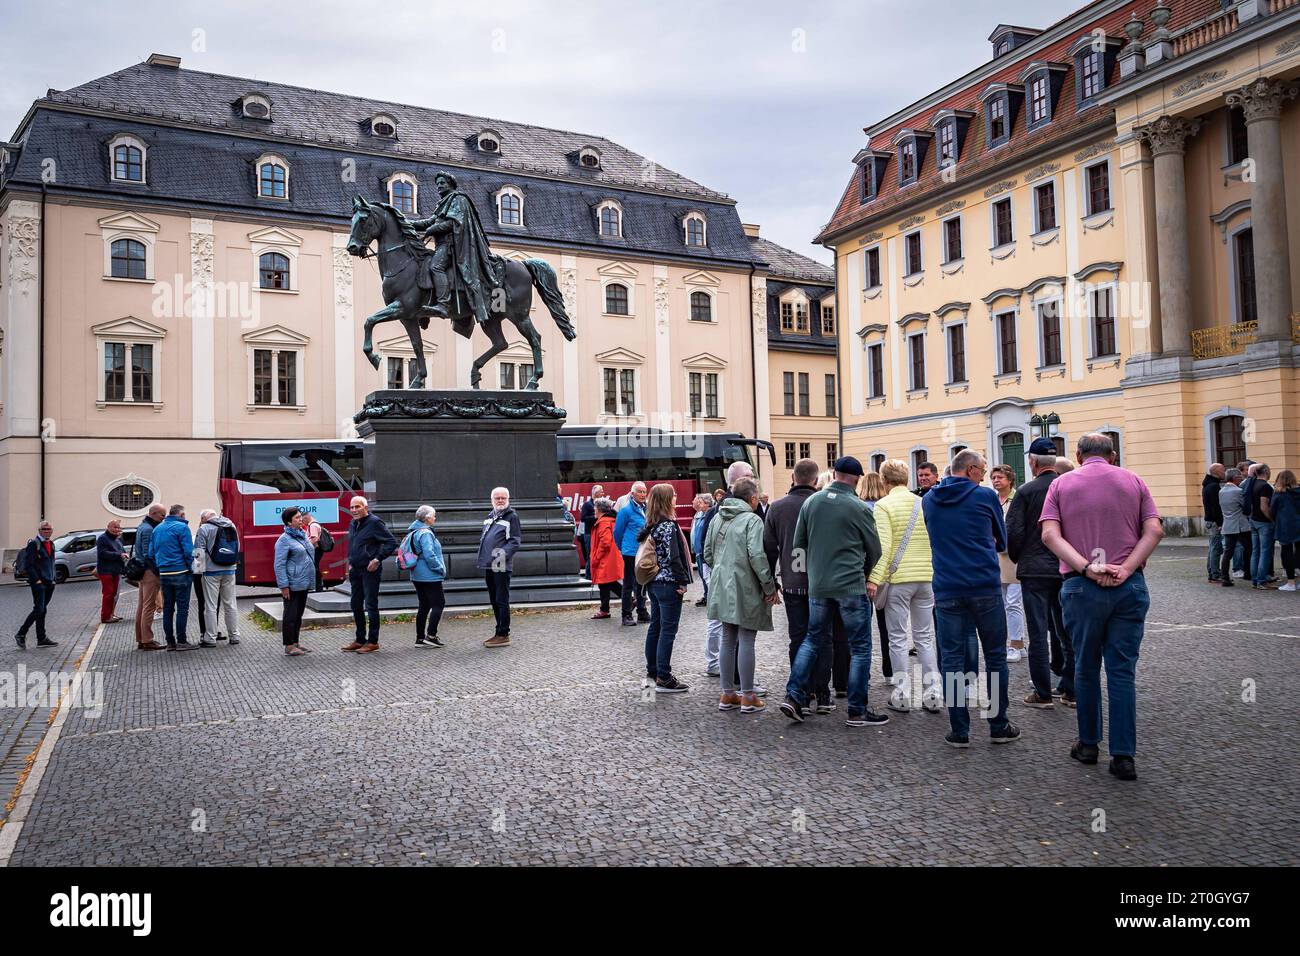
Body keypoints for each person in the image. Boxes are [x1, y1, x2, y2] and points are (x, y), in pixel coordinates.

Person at [1041, 432, 1163, 782]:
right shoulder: (1134, 481)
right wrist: (1126, 568)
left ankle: (1088, 743)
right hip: (1129, 586)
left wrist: (1086, 567)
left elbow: (1050, 536)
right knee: (1122, 672)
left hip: (1082, 587)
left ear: (1078, 456)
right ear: (1112, 455)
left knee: (1085, 665)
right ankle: (1124, 756)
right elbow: (1154, 530)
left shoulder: (1061, 485)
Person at [780, 456, 888, 728]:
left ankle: (794, 696)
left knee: (812, 639)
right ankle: (856, 710)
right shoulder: (858, 507)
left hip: (818, 585)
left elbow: (799, 543)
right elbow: (875, 549)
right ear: (856, 478)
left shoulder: (811, 502)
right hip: (850, 584)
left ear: (834, 474)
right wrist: (862, 569)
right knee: (861, 647)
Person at [923, 450, 1020, 749]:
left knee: (951, 659)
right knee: (994, 657)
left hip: (947, 587)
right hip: (984, 586)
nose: (984, 475)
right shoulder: (985, 497)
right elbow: (1001, 540)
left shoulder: (929, 500)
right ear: (972, 470)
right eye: (982, 470)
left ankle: (960, 730)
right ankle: (998, 724)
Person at [763, 458, 839, 713]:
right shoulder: (826, 505)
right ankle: (824, 695)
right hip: (822, 583)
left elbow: (768, 548)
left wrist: (771, 582)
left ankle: (802, 695)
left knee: (798, 638)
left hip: (793, 583)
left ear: (793, 479)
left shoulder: (777, 507)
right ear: (816, 480)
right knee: (824, 638)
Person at [867, 459, 941, 714]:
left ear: (884, 481)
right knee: (925, 637)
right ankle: (933, 693)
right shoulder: (924, 503)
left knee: (897, 639)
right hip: (926, 577)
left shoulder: (883, 505)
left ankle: (901, 695)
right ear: (907, 479)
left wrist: (874, 578)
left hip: (898, 579)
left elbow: (884, 547)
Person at [1006, 439, 1074, 710]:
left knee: (1037, 632)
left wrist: (1019, 557)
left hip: (1035, 570)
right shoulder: (1070, 488)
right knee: (1069, 631)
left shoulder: (1026, 491)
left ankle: (1043, 693)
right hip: (1066, 566)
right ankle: (1071, 689)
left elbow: (1014, 533)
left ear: (1033, 462)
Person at [706, 476, 777, 712]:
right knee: (747, 638)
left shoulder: (717, 517)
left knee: (728, 638)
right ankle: (747, 695)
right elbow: (757, 556)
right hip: (745, 585)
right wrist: (769, 587)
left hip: (721, 584)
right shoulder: (752, 520)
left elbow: (707, 552)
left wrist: (722, 568)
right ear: (753, 497)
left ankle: (728, 694)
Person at [638, 483, 694, 693]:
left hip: (653, 583)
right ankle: (664, 676)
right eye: (673, 496)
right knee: (668, 631)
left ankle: (652, 673)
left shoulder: (652, 524)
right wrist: (682, 582)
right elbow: (674, 558)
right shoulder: (668, 526)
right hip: (669, 584)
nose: (676, 498)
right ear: (665, 501)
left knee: (656, 627)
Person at [343, 496, 397, 653]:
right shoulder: (353, 523)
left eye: (357, 507)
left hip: (369, 570)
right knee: (355, 604)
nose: (354, 510)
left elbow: (391, 542)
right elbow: (354, 545)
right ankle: (360, 639)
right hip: (356, 570)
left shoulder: (375, 522)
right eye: (352, 507)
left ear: (365, 507)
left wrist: (377, 559)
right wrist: (351, 562)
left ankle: (373, 641)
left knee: (371, 605)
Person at [859, 469, 894, 687]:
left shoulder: (859, 508)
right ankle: (889, 669)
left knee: (862, 625)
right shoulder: (885, 507)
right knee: (886, 624)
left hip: (862, 571)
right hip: (884, 572)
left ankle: (863, 672)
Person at [990, 464, 1027, 663]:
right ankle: (1017, 642)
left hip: (1013, 556)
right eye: (994, 477)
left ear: (1010, 479)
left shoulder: (1018, 498)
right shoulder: (993, 500)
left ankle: (1015, 644)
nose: (996, 481)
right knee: (1004, 603)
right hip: (996, 556)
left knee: (1013, 602)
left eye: (1000, 477)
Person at [477, 486, 522, 648]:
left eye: (503, 498)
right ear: (492, 500)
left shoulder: (512, 517)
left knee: (501, 599)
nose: (501, 500)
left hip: (500, 563)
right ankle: (498, 631)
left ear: (508, 499)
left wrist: (499, 555)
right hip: (489, 564)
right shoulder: (490, 517)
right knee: (494, 599)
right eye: (497, 498)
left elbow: (515, 541)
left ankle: (503, 633)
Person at [151, 504, 196, 651]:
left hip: (164, 573)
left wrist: (160, 566)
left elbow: (151, 553)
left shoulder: (157, 529)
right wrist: (191, 568)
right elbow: (188, 552)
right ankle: (182, 641)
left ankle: (170, 642)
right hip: (181, 572)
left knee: (168, 608)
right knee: (183, 608)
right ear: (182, 515)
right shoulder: (183, 528)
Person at [194, 509, 241, 648]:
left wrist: (198, 572)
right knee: (231, 604)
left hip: (211, 571)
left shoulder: (204, 528)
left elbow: (199, 551)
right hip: (230, 570)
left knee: (210, 606)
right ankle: (234, 635)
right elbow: (237, 547)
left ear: (204, 518)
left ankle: (210, 638)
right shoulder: (230, 525)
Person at [274, 507, 316, 656]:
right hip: (292, 584)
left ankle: (296, 642)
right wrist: (284, 585)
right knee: (290, 615)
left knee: (298, 614)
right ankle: (289, 645)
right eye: (297, 518)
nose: (301, 519)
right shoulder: (284, 540)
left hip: (303, 581)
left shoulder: (302, 535)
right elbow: (279, 564)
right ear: (288, 522)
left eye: (300, 517)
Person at [406, 505, 447, 647]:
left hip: (417, 574)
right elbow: (429, 554)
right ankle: (431, 635)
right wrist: (439, 568)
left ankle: (420, 638)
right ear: (428, 518)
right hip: (429, 575)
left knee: (424, 605)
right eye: (434, 516)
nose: (435, 518)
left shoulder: (413, 531)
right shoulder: (426, 533)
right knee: (439, 603)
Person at [15, 521, 60, 649]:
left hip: (49, 582)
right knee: (39, 609)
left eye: (49, 529)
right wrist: (36, 580)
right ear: (39, 530)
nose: (47, 531)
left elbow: (51, 562)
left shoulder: (51, 543)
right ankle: (21, 633)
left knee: (42, 611)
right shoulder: (34, 545)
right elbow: (29, 565)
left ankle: (41, 638)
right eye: (44, 529)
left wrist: (54, 579)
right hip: (39, 583)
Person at [613, 482, 650, 626]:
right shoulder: (626, 510)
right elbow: (617, 532)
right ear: (632, 493)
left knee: (642, 582)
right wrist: (622, 547)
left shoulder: (647, 509)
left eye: (644, 492)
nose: (642, 494)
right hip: (630, 552)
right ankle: (626, 614)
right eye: (640, 492)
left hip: (644, 551)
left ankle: (642, 612)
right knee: (628, 584)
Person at [132, 503, 167, 650]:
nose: (163, 518)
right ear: (153, 513)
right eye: (162, 515)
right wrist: (157, 570)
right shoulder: (148, 529)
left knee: (142, 605)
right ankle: (147, 640)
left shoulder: (143, 526)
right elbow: (148, 554)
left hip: (143, 571)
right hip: (149, 571)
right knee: (149, 605)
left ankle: (141, 638)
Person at [588, 498, 624, 618]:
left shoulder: (603, 522)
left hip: (605, 558)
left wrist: (597, 557)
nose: (594, 510)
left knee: (605, 583)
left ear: (599, 509)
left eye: (595, 507)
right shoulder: (610, 520)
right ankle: (606, 608)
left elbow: (605, 542)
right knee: (608, 583)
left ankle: (605, 610)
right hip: (610, 557)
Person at [1218, 469, 1252, 588]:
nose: (1241, 477)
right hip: (1240, 525)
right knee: (1248, 549)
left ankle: (1225, 577)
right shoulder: (1238, 491)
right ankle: (1248, 573)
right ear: (1234, 478)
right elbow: (1245, 507)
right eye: (1239, 476)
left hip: (1228, 525)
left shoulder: (1221, 491)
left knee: (1228, 552)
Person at [1245, 463, 1276, 589]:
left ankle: (1255, 580)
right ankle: (1262, 580)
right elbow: (1264, 507)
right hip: (1264, 522)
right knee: (1265, 551)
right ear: (1266, 471)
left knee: (1256, 551)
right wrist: (1272, 519)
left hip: (1253, 520)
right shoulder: (1265, 486)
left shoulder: (1252, 484)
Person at [1272, 470, 1300, 591]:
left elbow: (1272, 510)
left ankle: (1291, 582)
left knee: (1286, 552)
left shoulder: (1279, 494)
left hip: (1285, 526)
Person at [95, 520, 127, 624]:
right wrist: (119, 555)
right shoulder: (102, 538)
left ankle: (111, 614)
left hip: (115, 570)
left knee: (113, 594)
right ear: (108, 527)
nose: (117, 529)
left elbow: (122, 551)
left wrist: (124, 555)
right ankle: (105, 617)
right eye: (114, 527)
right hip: (106, 571)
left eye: (118, 527)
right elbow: (102, 553)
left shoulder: (117, 539)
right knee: (108, 594)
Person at [1202, 463, 1226, 584]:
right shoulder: (1213, 486)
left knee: (1213, 547)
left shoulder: (1209, 484)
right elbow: (1216, 507)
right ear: (1216, 472)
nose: (1224, 472)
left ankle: (1213, 572)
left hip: (1210, 520)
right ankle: (1215, 574)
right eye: (1222, 470)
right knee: (1216, 548)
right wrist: (1220, 522)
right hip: (1214, 521)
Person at [690, 494, 712, 606]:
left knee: (706, 576)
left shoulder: (709, 515)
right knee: (703, 576)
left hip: (704, 551)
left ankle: (709, 596)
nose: (698, 503)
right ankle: (707, 595)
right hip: (698, 551)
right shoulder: (699, 514)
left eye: (701, 502)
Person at [579, 484, 604, 577]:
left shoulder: (600, 505)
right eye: (601, 491)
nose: (603, 493)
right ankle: (589, 575)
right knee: (591, 554)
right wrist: (595, 517)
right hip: (589, 533)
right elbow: (583, 518)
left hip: (599, 533)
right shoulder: (587, 504)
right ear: (596, 493)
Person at [304, 512, 325, 592]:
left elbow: (314, 539)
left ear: (306, 518)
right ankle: (318, 587)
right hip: (317, 550)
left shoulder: (313, 525)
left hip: (316, 550)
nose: (303, 523)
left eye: (303, 520)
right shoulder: (314, 524)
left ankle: (318, 587)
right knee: (315, 568)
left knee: (315, 569)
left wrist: (305, 546)